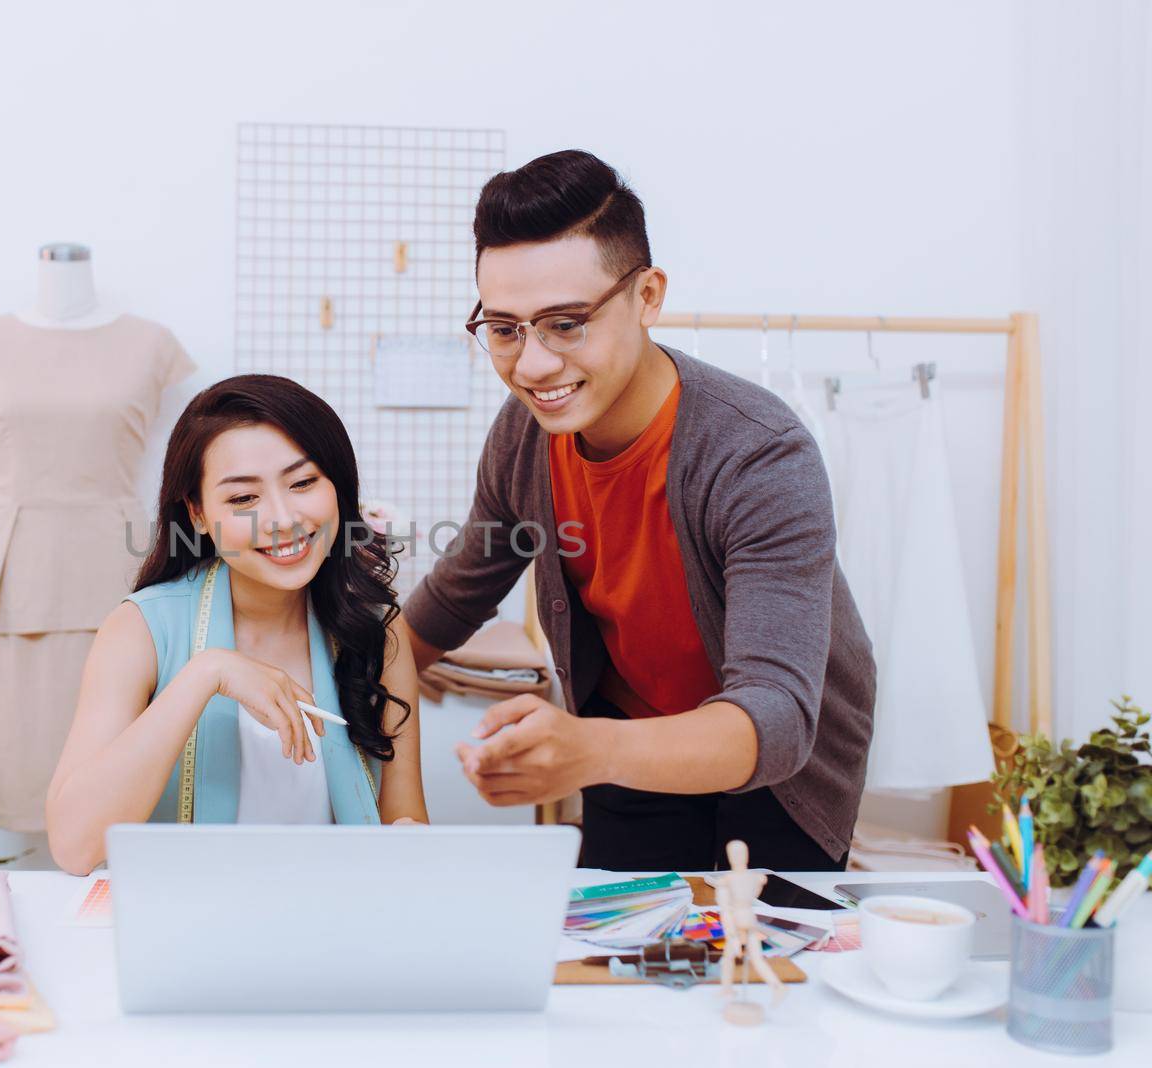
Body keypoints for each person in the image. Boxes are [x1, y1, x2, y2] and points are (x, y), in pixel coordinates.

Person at [400, 150, 875, 873]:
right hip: (627, 737)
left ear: (647, 296)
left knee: (767, 966)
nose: (531, 366)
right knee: (615, 961)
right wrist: (319, 677)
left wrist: (586, 749)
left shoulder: (758, 454)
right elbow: (452, 599)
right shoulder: (523, 439)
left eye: (565, 323)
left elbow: (777, 718)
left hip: (777, 771)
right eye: (504, 328)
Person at [47, 375, 428, 874]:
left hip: (336, 919)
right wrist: (206, 675)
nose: (282, 519)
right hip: (190, 922)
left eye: (304, 482)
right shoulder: (139, 628)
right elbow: (76, 849)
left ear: (338, 486)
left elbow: (404, 822)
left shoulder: (376, 628)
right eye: (243, 499)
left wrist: (410, 841)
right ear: (199, 513)